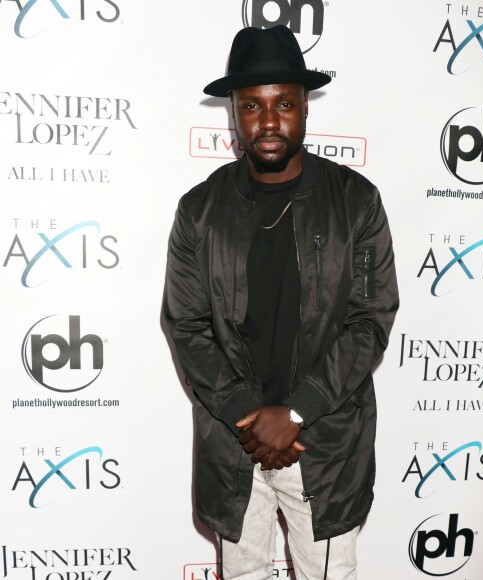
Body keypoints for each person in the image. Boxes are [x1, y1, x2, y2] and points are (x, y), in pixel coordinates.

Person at [163, 25, 399, 580]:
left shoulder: (356, 203)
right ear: (234, 115)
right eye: (252, 106)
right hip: (233, 443)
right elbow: (187, 325)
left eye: (283, 104)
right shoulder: (199, 211)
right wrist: (250, 415)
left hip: (324, 445)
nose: (268, 122)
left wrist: (295, 413)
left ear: (306, 110)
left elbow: (370, 321)